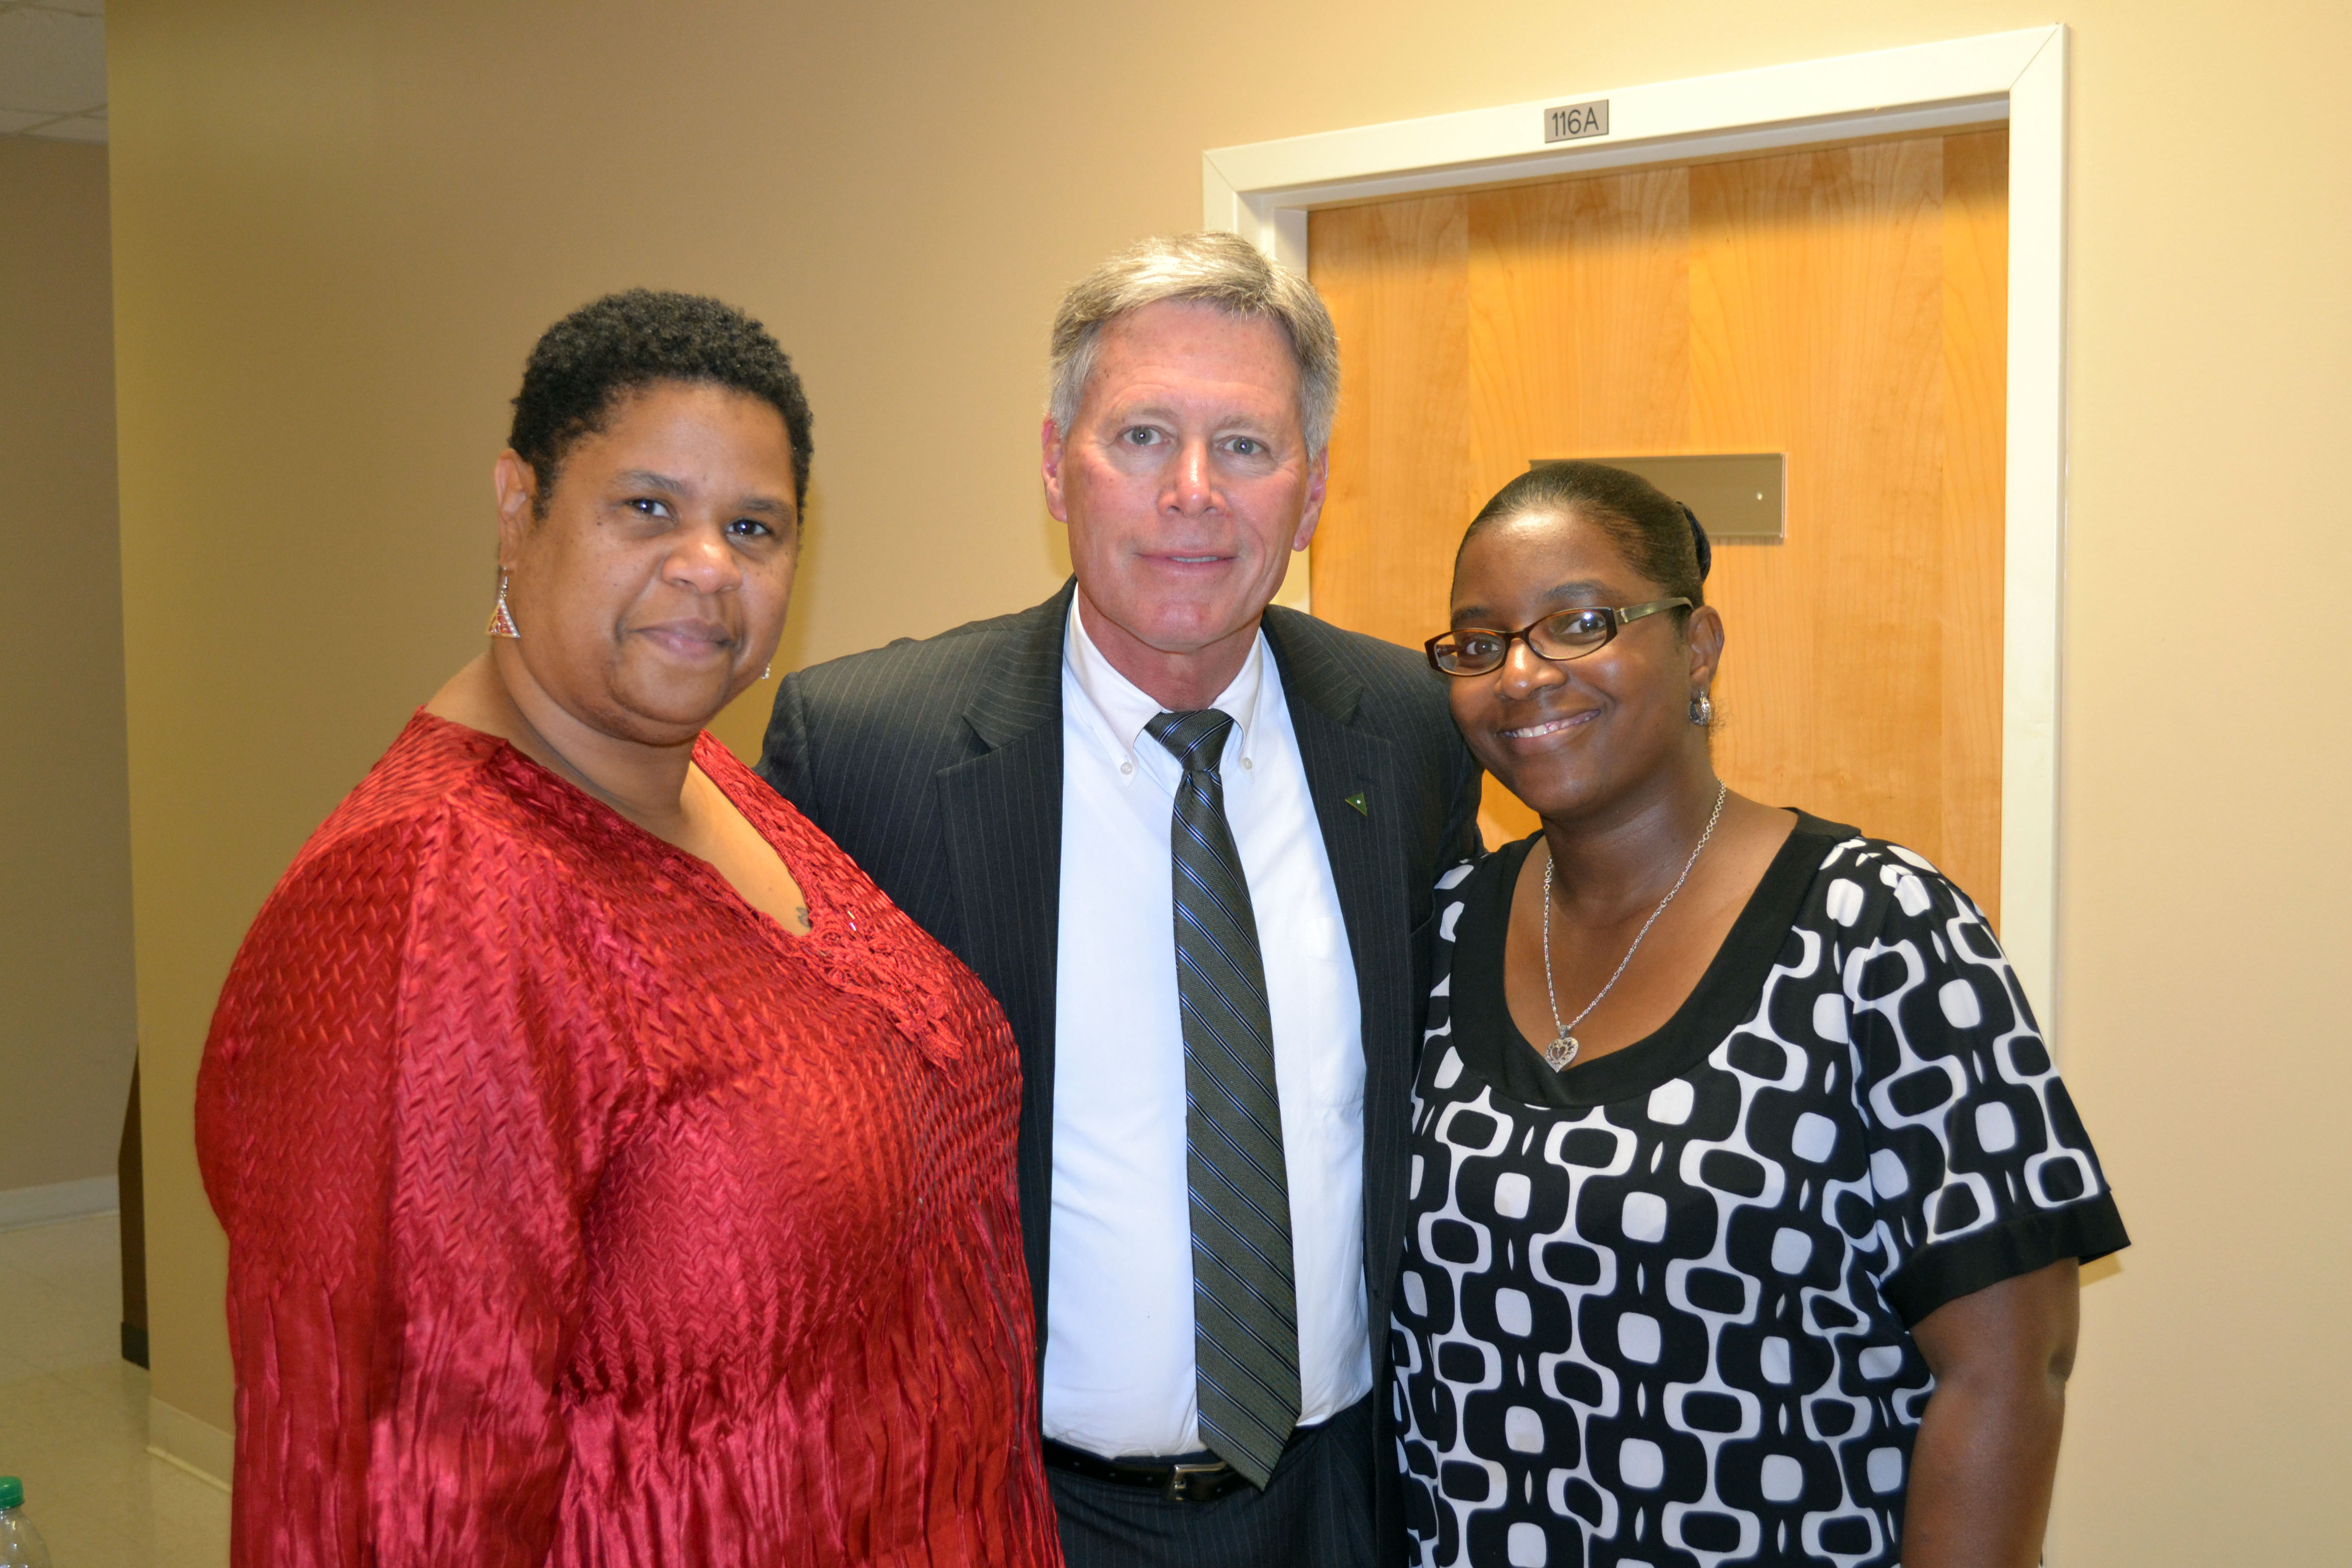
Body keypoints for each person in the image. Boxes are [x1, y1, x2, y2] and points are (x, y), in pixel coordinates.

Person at [195, 291, 1060, 1567]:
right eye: (648, 506)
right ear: (517, 505)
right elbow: (393, 1501)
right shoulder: (423, 906)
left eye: (753, 527)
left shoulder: (711, 783)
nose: (708, 564)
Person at [759, 232, 1483, 1566]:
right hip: (1023, 1510)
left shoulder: (1410, 728)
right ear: (1054, 465)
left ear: (1312, 492)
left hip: (1344, 1498)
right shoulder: (866, 753)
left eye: (1248, 448)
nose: (1194, 494)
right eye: (1143, 436)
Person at [1393, 461, 2129, 1567]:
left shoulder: (1881, 933)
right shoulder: (1442, 932)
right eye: (1481, 642)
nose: (1523, 675)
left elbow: (2012, 1368)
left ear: (1698, 646)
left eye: (1579, 623)